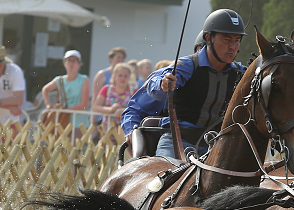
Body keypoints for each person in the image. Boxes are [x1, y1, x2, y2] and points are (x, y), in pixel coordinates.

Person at [121, 9, 247, 158]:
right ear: (208, 39)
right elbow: (150, 90)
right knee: (164, 177)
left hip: (218, 146)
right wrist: (163, 85)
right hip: (178, 142)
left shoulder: (242, 74)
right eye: (226, 40)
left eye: (237, 40)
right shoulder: (186, 65)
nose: (233, 46)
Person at [41, 50, 90, 130]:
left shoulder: (84, 80)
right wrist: (48, 105)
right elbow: (45, 89)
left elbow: (83, 105)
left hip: (79, 124)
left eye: (74, 61)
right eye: (69, 60)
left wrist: (65, 111)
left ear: (79, 64)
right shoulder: (59, 80)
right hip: (61, 123)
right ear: (64, 63)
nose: (71, 63)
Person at [92, 63, 133, 128]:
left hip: (126, 130)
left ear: (129, 77)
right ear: (114, 76)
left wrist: (124, 111)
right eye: (120, 75)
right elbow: (95, 107)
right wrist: (110, 109)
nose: (123, 78)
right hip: (107, 130)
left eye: (125, 76)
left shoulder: (134, 91)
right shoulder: (106, 89)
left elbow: (139, 109)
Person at [90, 47, 126, 115]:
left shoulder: (126, 75)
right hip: (102, 115)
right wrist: (93, 116)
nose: (120, 60)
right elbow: (95, 97)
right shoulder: (102, 75)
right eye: (118, 57)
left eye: (122, 58)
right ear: (111, 58)